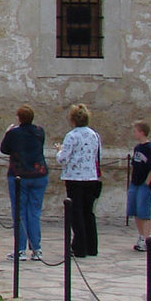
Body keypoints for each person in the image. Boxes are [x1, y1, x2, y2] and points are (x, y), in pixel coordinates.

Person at [0, 104, 48, 261]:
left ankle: (20, 249)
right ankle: (36, 248)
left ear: (19, 118)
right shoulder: (39, 131)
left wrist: (7, 133)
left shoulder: (14, 134)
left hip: (19, 175)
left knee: (20, 213)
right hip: (39, 174)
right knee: (34, 212)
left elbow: (4, 149)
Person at [55, 103, 101, 258]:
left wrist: (59, 151)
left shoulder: (72, 136)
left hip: (75, 178)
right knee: (88, 212)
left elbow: (63, 158)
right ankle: (91, 246)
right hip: (90, 177)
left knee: (76, 213)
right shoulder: (94, 135)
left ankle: (79, 246)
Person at [127, 121, 151, 251]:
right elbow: (134, 165)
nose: (134, 134)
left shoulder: (150, 149)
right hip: (135, 183)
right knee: (135, 211)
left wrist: (147, 183)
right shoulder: (137, 148)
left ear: (142, 132)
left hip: (144, 184)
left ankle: (146, 237)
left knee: (144, 212)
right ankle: (140, 236)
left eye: (136, 131)